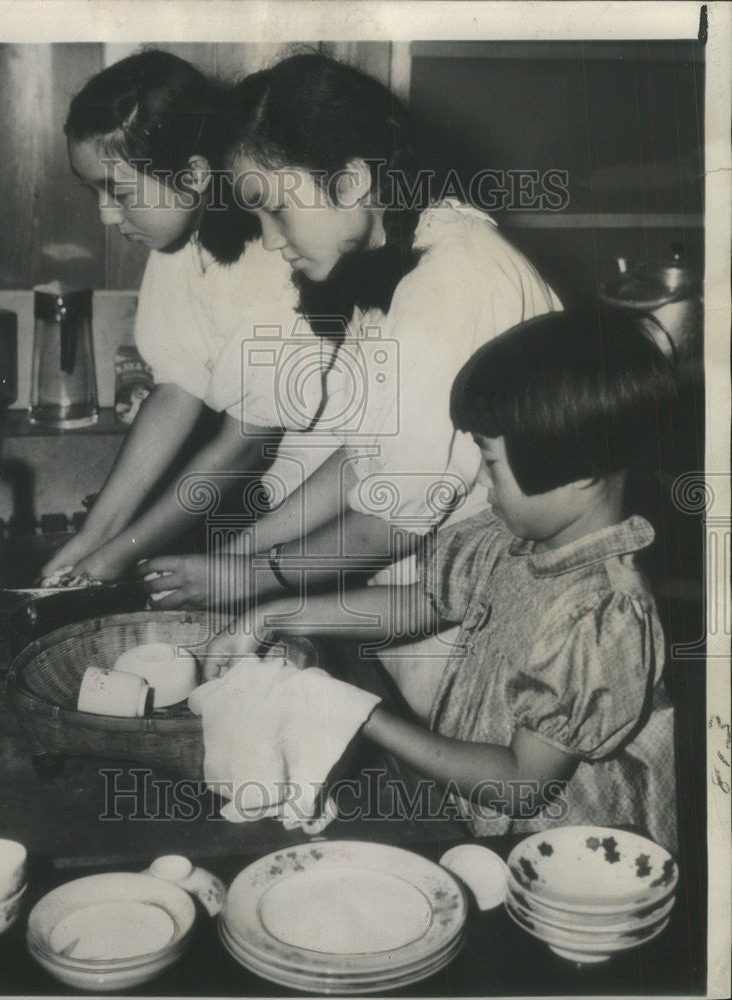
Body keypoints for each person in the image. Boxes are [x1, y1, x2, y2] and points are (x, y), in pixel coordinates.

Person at [141, 53, 559, 712]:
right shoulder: (392, 266)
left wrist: (247, 578)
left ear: (350, 181)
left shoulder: (451, 286)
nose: (272, 241)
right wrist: (245, 552)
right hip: (435, 597)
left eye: (275, 209)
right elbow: (366, 457)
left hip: (506, 625)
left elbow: (390, 518)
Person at [202, 310, 678, 852]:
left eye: (492, 461)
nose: (479, 476)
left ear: (580, 468)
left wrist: (359, 715)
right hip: (485, 822)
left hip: (565, 856)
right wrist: (270, 615)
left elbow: (521, 785)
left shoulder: (601, 614)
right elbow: (423, 602)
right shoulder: (515, 540)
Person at [42, 50, 310, 583]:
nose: (105, 215)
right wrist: (92, 538)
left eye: (117, 190)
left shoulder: (278, 257)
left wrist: (119, 554)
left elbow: (246, 444)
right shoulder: (180, 243)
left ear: (192, 175)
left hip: (352, 525)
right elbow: (177, 391)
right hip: (285, 512)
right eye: (93, 189)